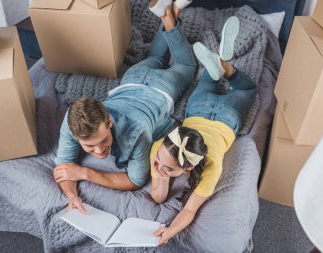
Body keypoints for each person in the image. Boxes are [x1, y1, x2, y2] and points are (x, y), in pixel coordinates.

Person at [53, 0, 195, 213]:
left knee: (188, 65)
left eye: (103, 141)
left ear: (108, 121)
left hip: (163, 87)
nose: (99, 151)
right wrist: (72, 195)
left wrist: (85, 173)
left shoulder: (138, 133)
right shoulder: (72, 120)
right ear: (75, 134)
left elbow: (135, 180)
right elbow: (64, 167)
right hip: (133, 78)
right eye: (89, 147)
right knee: (155, 57)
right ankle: (168, 13)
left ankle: (169, 16)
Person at [149, 16, 258, 245]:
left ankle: (220, 64)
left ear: (189, 167)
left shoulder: (207, 164)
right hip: (207, 111)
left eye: (165, 166)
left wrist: (170, 231)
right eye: (159, 162)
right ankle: (223, 64)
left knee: (247, 89)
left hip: (219, 113)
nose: (156, 165)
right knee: (227, 82)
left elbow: (186, 210)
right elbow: (159, 198)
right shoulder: (162, 148)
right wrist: (164, 172)